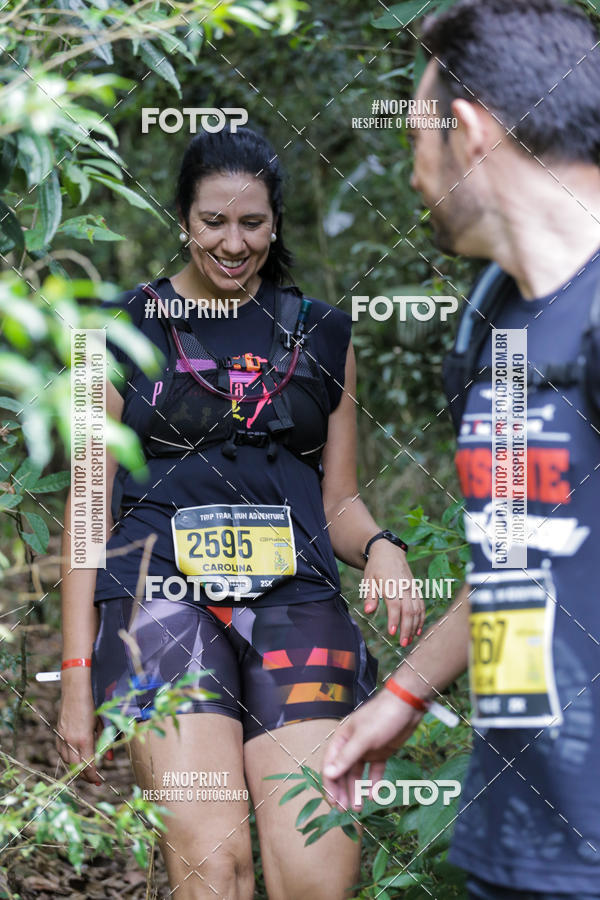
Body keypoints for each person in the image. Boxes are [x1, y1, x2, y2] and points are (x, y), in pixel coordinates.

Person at [55, 126, 424, 900]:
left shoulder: (322, 332)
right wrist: (78, 679)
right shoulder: (114, 331)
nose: (233, 242)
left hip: (298, 599)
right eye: (213, 222)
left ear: (275, 223)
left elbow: (341, 500)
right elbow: (87, 513)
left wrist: (383, 546)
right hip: (160, 601)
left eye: (251, 223)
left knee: (319, 874)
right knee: (214, 867)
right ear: (184, 222)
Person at [322, 1, 600, 898]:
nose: (412, 174)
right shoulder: (495, 322)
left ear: (470, 132)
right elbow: (520, 555)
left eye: (417, 139)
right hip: (514, 839)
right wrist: (401, 698)